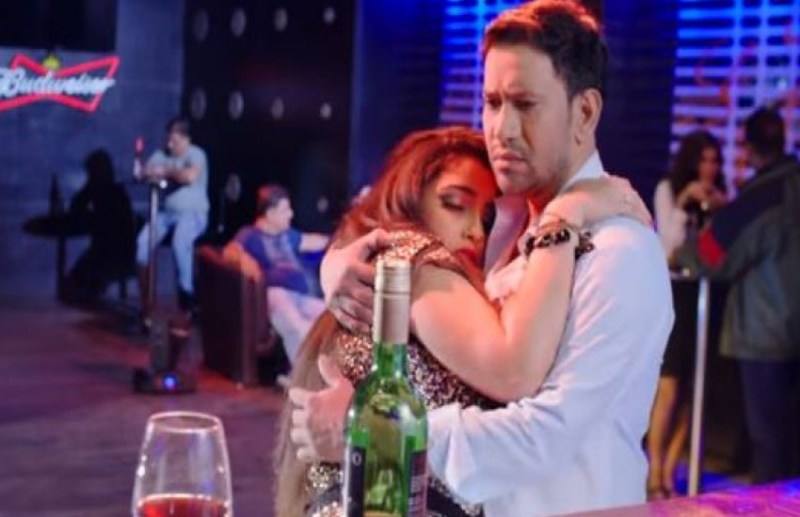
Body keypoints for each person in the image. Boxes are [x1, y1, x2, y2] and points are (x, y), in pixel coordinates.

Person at [288, 2, 674, 516]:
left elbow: (543, 435)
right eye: (492, 102)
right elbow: (400, 232)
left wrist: (378, 431)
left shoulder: (619, 251)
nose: (503, 128)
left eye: (525, 104)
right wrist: (337, 264)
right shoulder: (504, 226)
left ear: (585, 113)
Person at [275, 126, 648, 517]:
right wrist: (566, 215)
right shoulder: (410, 255)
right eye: (454, 203)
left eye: (487, 218)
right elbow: (514, 371)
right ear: (407, 193)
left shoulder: (396, 276)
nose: (474, 231)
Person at [689, 107, 800, 484]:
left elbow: (709, 256)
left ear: (749, 149)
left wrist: (681, 249)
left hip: (765, 336)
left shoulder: (760, 199)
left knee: (769, 447)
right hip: (788, 334)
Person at [647, 129, 727, 498]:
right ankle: (653, 469)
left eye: (714, 161)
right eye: (703, 160)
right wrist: (684, 203)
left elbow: (717, 254)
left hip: (705, 294)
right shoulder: (668, 189)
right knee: (669, 384)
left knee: (694, 389)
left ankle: (669, 471)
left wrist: (721, 212)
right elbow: (667, 248)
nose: (709, 168)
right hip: (673, 292)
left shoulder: (720, 197)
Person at [223, 184, 330, 365]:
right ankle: (300, 375)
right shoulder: (250, 235)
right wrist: (244, 260)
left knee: (331, 317)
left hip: (301, 297)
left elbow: (312, 241)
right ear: (270, 214)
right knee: (299, 328)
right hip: (276, 295)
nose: (291, 214)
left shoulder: (287, 234)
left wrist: (340, 239)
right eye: (285, 210)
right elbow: (230, 251)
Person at [136, 116, 209, 324]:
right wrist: (147, 171)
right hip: (166, 214)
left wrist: (166, 171)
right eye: (168, 140)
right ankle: (146, 302)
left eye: (174, 141)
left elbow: (190, 176)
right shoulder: (161, 154)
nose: (170, 145)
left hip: (193, 214)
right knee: (142, 243)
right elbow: (144, 173)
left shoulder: (196, 154)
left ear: (186, 139)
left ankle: (187, 299)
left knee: (180, 242)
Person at [63, 149, 136, 304]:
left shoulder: (108, 192)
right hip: (109, 253)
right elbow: (77, 209)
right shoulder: (111, 191)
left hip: (111, 254)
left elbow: (77, 210)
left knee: (72, 286)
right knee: (76, 284)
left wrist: (88, 188)